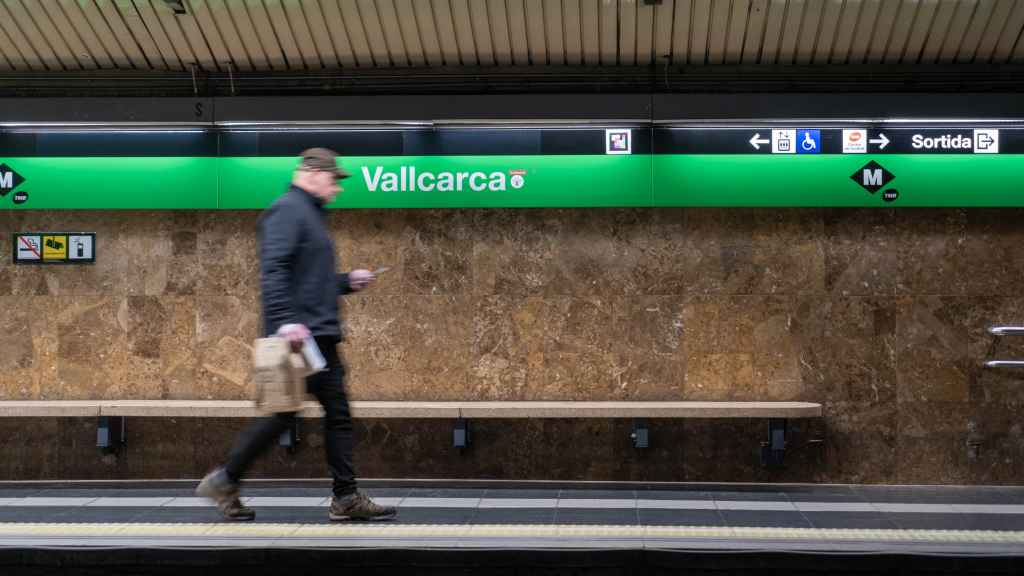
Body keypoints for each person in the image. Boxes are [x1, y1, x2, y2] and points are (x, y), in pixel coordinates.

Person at [196, 148, 397, 522]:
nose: (337, 188)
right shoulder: (287, 210)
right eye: (334, 179)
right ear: (312, 173)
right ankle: (229, 479)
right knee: (287, 416)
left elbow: (311, 282)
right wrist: (285, 321)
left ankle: (342, 495)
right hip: (298, 338)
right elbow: (274, 270)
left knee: (320, 414)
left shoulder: (310, 216)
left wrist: (347, 282)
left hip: (316, 336)